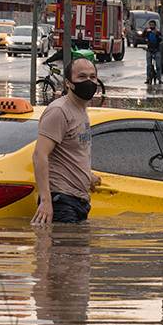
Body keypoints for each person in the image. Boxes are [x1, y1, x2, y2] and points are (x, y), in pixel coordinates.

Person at [31, 58, 101, 225]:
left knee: (75, 250)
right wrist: (46, 201)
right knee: (66, 250)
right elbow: (39, 155)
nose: (89, 82)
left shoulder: (80, 109)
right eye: (82, 77)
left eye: (93, 77)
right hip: (61, 201)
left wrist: (86, 176)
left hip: (78, 200)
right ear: (68, 83)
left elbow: (69, 151)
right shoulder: (59, 111)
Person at [143, 20, 163, 84]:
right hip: (149, 50)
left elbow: (160, 39)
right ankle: (148, 78)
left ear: (155, 25)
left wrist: (156, 34)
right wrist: (145, 31)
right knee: (149, 65)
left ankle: (159, 79)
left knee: (158, 65)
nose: (151, 26)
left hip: (157, 50)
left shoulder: (158, 32)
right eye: (150, 25)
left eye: (152, 25)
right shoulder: (148, 32)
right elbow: (143, 37)